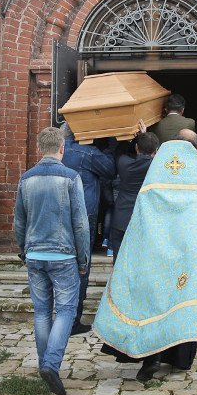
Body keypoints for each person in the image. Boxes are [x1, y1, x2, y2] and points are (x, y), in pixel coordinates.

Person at [93, 130, 197, 382]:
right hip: (184, 254)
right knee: (177, 299)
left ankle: (150, 357)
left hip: (152, 251)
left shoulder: (157, 172)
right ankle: (177, 358)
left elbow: (142, 211)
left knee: (152, 300)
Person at [14, 127, 90, 395]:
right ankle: (50, 365)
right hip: (63, 255)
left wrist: (24, 250)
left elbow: (19, 221)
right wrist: (84, 260)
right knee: (67, 311)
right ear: (62, 148)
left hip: (35, 254)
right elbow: (80, 224)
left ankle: (45, 366)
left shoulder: (26, 179)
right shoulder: (71, 177)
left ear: (39, 148)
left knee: (42, 311)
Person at [61, 122, 116, 335]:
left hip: (57, 213)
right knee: (81, 265)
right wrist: (111, 142)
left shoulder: (55, 152)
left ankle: (58, 318)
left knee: (60, 262)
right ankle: (73, 319)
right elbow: (110, 170)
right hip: (84, 214)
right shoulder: (87, 152)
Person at [110, 130, 159, 262]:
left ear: (137, 147)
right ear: (156, 149)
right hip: (145, 219)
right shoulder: (156, 166)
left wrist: (135, 137)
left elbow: (120, 149)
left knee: (119, 262)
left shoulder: (123, 162)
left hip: (121, 217)